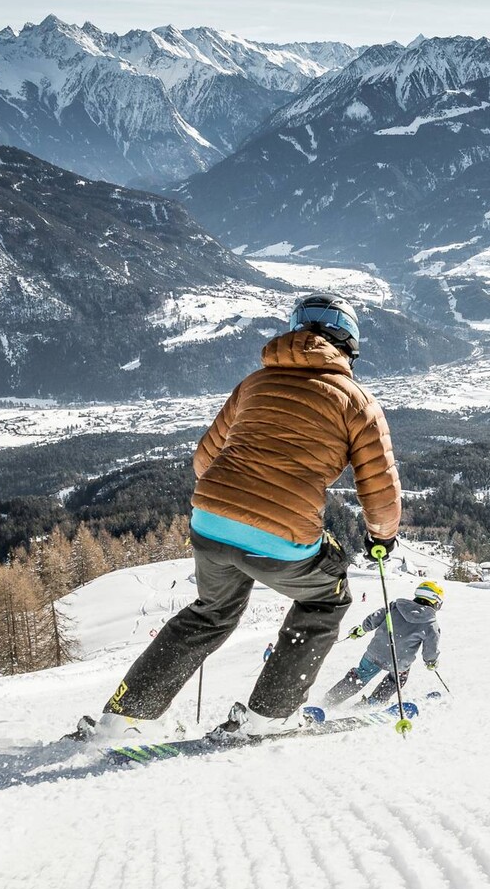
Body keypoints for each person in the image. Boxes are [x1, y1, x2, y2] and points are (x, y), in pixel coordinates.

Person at [72, 293, 401, 743]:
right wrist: (382, 537)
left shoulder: (254, 384)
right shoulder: (356, 401)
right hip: (282, 537)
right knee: (326, 599)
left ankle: (130, 715)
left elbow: (203, 460)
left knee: (210, 613)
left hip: (210, 522)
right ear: (350, 344)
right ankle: (270, 714)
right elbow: (379, 491)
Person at [323, 580, 443, 706]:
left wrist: (362, 629)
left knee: (360, 676)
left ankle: (332, 699)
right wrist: (431, 662)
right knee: (396, 680)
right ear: (436, 600)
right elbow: (430, 648)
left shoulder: (395, 606)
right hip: (399, 661)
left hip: (376, 652)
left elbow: (376, 617)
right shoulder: (431, 624)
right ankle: (373, 703)